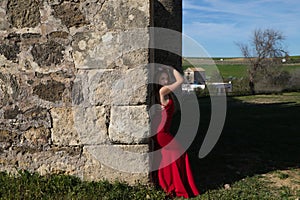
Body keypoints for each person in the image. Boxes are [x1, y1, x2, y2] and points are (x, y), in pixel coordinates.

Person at [150, 66, 200, 198]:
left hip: (161, 133)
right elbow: (180, 80)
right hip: (162, 134)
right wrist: (171, 69)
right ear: (157, 80)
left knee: (168, 159)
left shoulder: (163, 93)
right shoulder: (162, 91)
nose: (165, 81)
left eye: (166, 79)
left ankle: (167, 184)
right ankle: (177, 186)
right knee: (180, 155)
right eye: (162, 79)